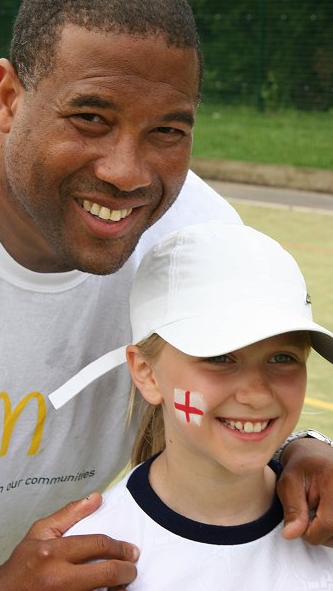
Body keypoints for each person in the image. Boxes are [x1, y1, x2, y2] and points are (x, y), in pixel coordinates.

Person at [0, 0, 332, 590]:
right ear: (9, 97)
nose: (127, 173)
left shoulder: (196, 242)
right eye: (91, 118)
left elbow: (223, 396)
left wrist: (297, 453)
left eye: (168, 130)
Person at [61, 223, 333, 589]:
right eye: (219, 357)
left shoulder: (326, 524)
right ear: (147, 373)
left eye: (282, 357)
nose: (256, 394)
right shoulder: (93, 561)